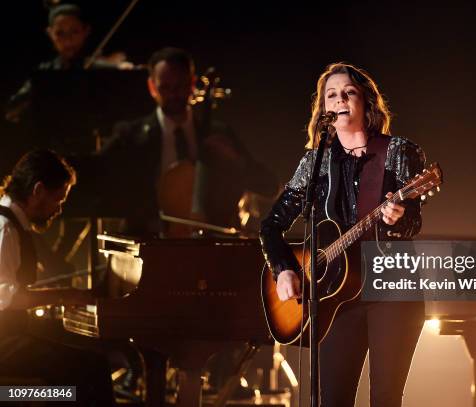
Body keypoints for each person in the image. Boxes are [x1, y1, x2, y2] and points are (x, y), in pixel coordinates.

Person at [260, 62, 426, 406]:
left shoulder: (398, 152)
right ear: (323, 108)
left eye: (348, 93)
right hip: (334, 295)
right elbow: (271, 225)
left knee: (385, 397)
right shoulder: (316, 162)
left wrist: (397, 217)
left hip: (391, 289)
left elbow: (413, 223)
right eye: (331, 95)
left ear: (366, 102)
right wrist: (285, 268)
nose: (339, 100)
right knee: (332, 398)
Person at [99, 47, 278, 235]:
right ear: (152, 87)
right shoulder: (131, 135)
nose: (174, 94)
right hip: (148, 247)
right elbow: (100, 183)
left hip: (212, 245)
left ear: (192, 84)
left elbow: (269, 186)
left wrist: (235, 160)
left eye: (180, 86)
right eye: (165, 87)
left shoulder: (218, 133)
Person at [0, 149, 115, 405]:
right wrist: (64, 295)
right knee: (90, 369)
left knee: (86, 358)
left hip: (11, 334)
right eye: (58, 200)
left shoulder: (12, 224)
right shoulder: (5, 228)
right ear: (38, 190)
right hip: (4, 344)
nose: (59, 209)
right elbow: (6, 300)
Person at [5, 3, 123, 123]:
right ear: (50, 33)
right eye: (60, 33)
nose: (68, 40)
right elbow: (12, 109)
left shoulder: (101, 69)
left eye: (74, 32)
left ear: (86, 31)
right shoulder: (45, 73)